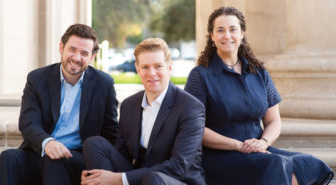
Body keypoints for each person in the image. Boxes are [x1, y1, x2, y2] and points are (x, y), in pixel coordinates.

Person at [185, 6, 334, 185]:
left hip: (258, 150)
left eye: (233, 29)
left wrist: (263, 142)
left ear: (242, 33)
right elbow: (195, 128)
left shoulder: (260, 72)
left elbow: (274, 121)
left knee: (310, 164)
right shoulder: (200, 75)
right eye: (220, 30)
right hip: (221, 156)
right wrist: (238, 145)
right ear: (212, 36)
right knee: (277, 164)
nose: (227, 35)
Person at [0, 24, 119, 185]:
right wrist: (48, 143)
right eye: (72, 49)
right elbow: (28, 122)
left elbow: (111, 131)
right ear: (61, 47)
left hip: (76, 158)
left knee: (55, 162)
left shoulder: (104, 84)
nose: (77, 57)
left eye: (84, 53)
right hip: (41, 150)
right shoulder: (37, 79)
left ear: (92, 57)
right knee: (8, 158)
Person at [81, 38, 206, 185]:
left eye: (158, 66)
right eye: (145, 67)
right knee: (95, 144)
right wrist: (97, 176)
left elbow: (178, 166)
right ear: (137, 69)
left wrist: (118, 179)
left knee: (153, 178)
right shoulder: (129, 105)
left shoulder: (191, 107)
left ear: (169, 67)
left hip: (177, 180)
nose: (152, 73)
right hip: (141, 178)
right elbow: (122, 154)